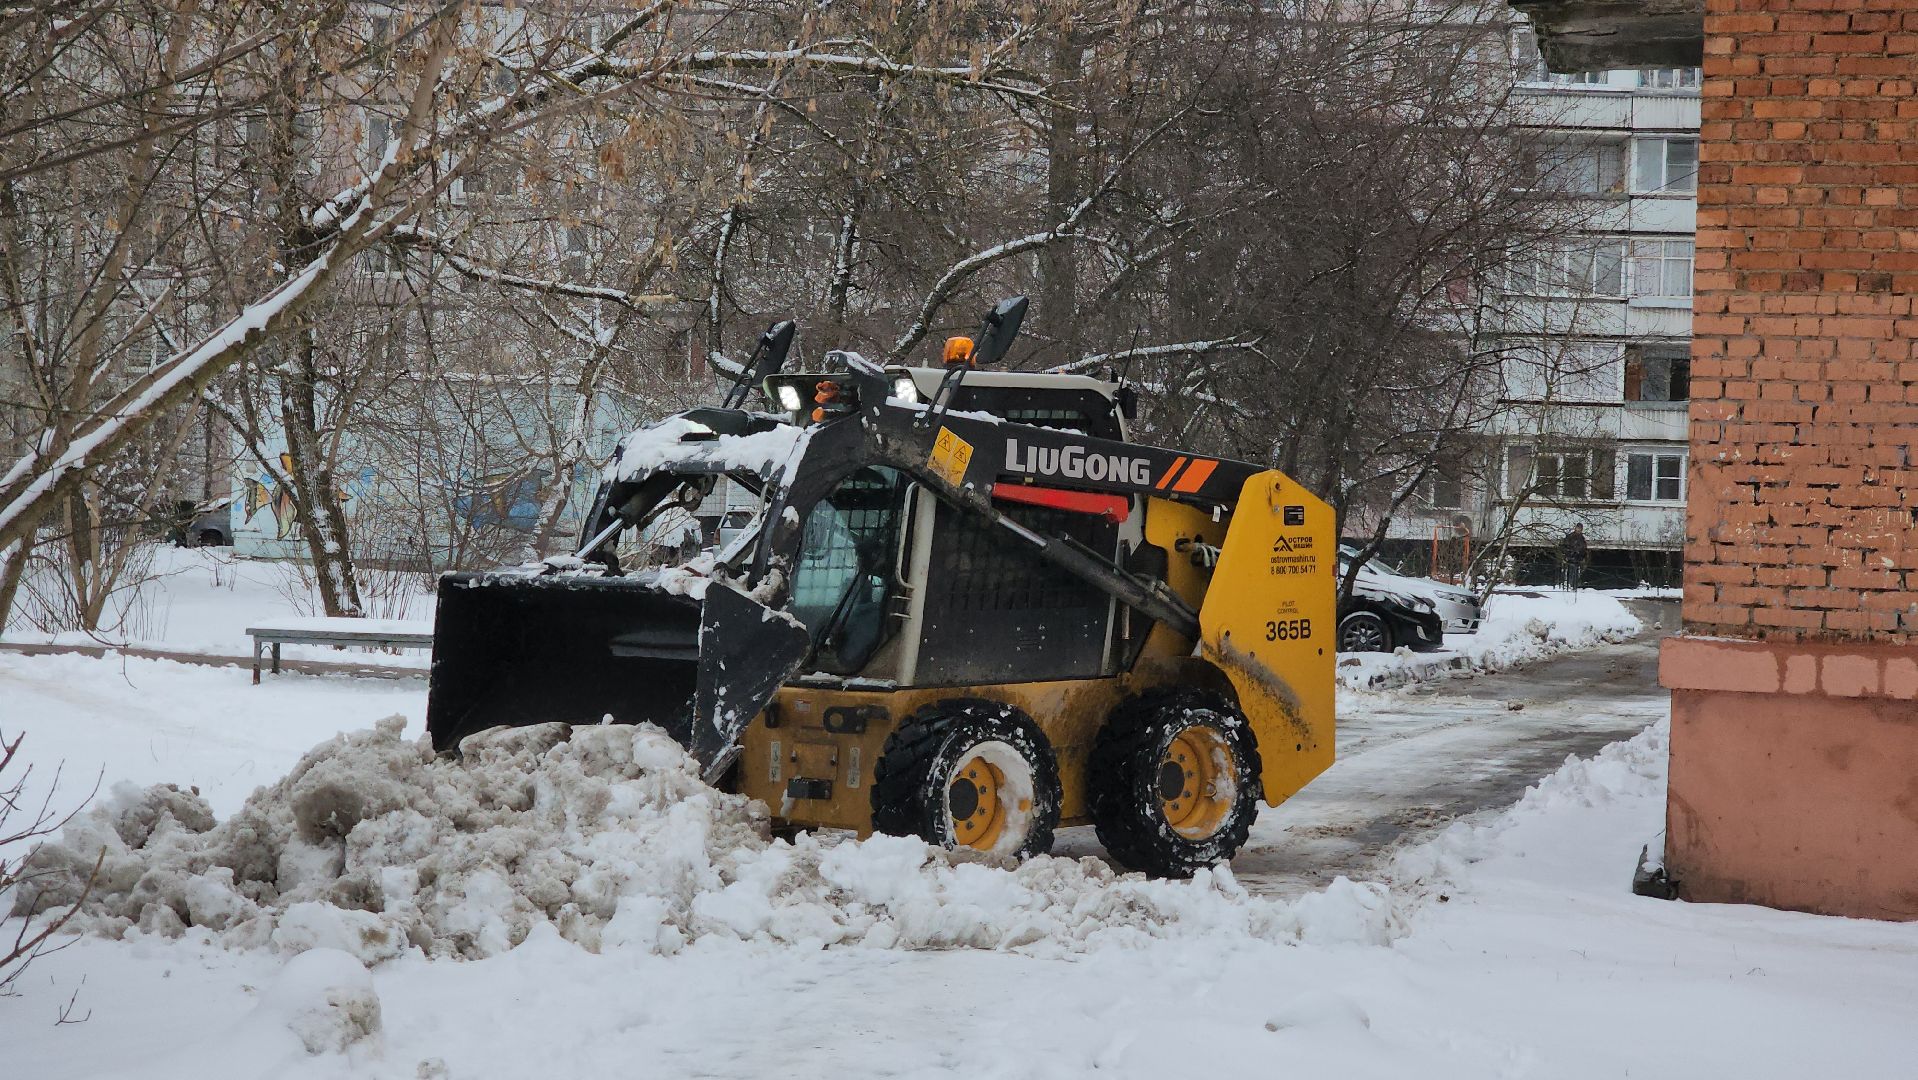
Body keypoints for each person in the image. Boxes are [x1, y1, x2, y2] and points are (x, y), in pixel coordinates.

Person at [1558, 524, 1588, 590]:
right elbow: (1564, 546)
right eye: (1578, 528)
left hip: (1578, 559)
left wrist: (1583, 557)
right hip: (1570, 558)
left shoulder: (1582, 538)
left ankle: (1574, 586)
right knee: (1569, 572)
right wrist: (1568, 554)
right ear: (1575, 528)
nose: (1579, 530)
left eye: (1580, 528)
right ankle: (1568, 585)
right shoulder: (1570, 537)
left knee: (1576, 573)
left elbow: (1584, 549)